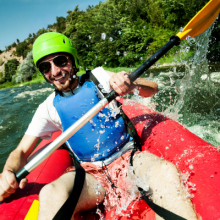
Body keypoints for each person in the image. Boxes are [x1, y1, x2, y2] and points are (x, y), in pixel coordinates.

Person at [0, 32, 197, 220]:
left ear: (73, 61)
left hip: (128, 160)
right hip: (91, 177)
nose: (55, 72)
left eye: (60, 61)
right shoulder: (48, 108)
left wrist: (130, 84)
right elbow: (21, 151)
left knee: (164, 172)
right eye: (45, 67)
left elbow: (153, 88)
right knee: (50, 193)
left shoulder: (99, 77)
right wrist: (8, 171)